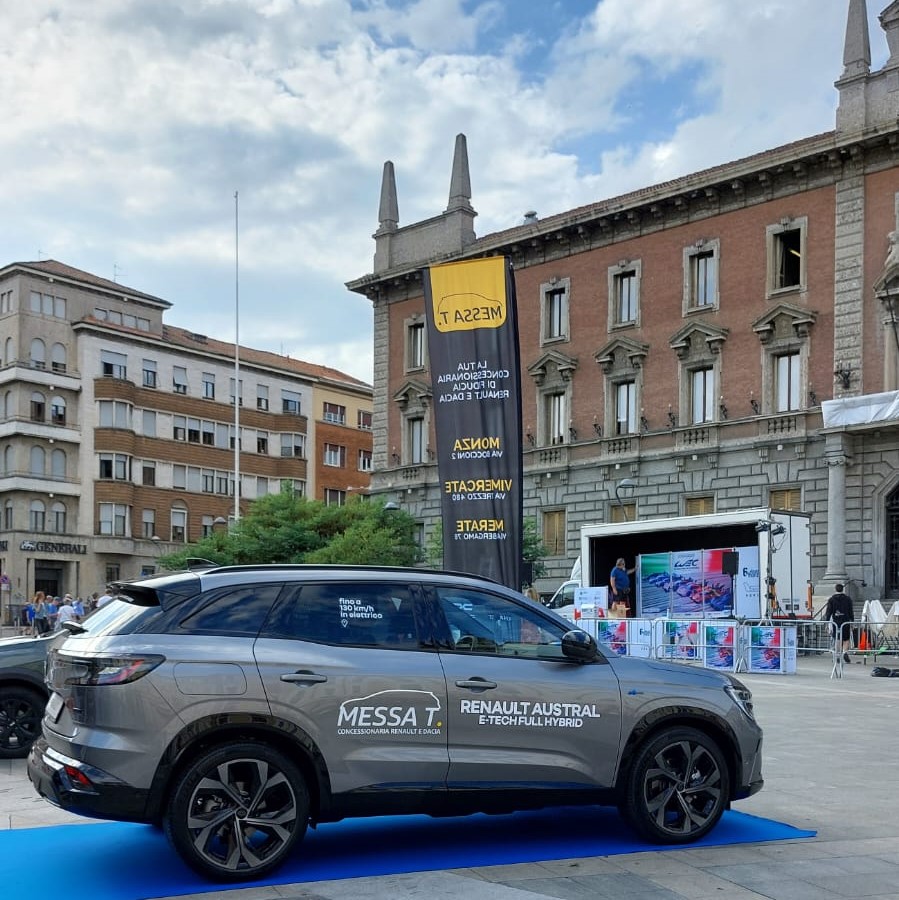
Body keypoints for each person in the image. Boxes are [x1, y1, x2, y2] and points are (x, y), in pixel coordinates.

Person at [824, 583, 854, 664]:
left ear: (835, 589)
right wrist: (852, 621)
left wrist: (826, 623)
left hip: (836, 621)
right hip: (846, 620)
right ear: (843, 589)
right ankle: (845, 652)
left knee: (837, 638)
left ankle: (837, 654)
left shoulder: (831, 599)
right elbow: (850, 611)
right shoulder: (848, 599)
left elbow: (828, 612)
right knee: (846, 639)